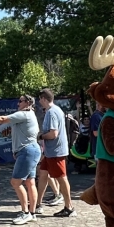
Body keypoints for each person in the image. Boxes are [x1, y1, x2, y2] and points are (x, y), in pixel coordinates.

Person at [0, 94, 40, 224]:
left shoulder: (24, 114)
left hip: (27, 151)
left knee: (15, 182)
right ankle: (32, 213)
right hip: (30, 150)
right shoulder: (30, 115)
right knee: (30, 182)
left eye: (20, 101)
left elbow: (3, 118)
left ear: (27, 103)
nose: (18, 104)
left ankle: (25, 213)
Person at [35, 88, 76, 217]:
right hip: (50, 152)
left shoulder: (52, 113)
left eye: (40, 99)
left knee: (62, 178)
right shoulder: (55, 110)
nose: (39, 101)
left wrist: (41, 136)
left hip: (56, 152)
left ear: (44, 99)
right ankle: (37, 204)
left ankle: (69, 207)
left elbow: (53, 134)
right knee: (42, 175)